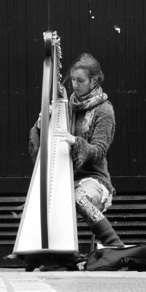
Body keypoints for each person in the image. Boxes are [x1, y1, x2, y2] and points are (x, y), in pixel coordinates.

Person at [29, 53, 124, 249]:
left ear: (94, 81)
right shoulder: (65, 106)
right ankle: (56, 254)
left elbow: (99, 152)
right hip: (65, 177)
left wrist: (76, 142)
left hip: (94, 178)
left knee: (78, 198)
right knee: (38, 202)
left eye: (80, 80)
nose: (74, 84)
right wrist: (41, 125)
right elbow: (47, 145)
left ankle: (114, 243)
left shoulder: (104, 110)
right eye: (72, 79)